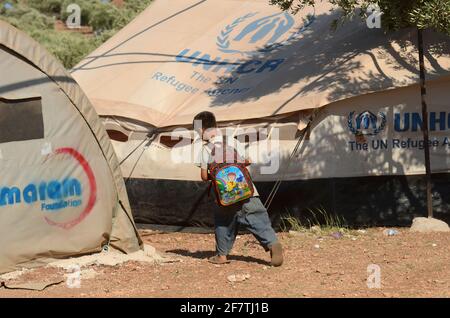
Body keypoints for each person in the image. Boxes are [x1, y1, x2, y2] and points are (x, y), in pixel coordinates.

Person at [193, 111, 283, 266]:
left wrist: (216, 174)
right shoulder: (232, 142)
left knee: (223, 222)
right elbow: (247, 161)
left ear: (201, 130)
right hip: (246, 190)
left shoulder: (206, 149)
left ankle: (222, 256)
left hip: (223, 196)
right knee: (257, 216)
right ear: (215, 125)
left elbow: (203, 176)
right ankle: (272, 243)